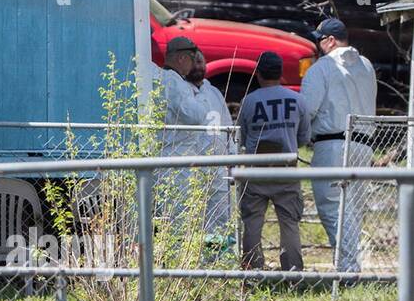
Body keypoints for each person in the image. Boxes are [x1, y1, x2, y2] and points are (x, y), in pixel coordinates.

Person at [300, 17, 376, 273]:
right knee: (352, 207)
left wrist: (301, 136)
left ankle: (348, 269)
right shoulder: (366, 66)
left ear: (331, 41)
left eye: (319, 40)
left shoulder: (321, 68)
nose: (317, 45)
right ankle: (352, 264)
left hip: (332, 144)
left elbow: (307, 109)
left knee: (332, 205)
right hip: (365, 145)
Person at [150, 37, 235, 238]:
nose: (194, 64)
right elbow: (192, 115)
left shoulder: (211, 91)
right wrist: (201, 108)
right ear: (181, 59)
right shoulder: (173, 82)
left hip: (206, 164)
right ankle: (187, 266)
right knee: (181, 219)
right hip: (179, 161)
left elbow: (228, 126)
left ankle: (212, 263)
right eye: (192, 59)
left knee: (215, 220)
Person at [236, 52, 310, 270]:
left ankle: (252, 271)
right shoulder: (297, 100)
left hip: (256, 171)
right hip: (286, 170)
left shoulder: (249, 101)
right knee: (289, 224)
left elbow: (241, 135)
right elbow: (304, 137)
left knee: (252, 223)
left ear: (257, 74)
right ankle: (293, 272)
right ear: (281, 73)